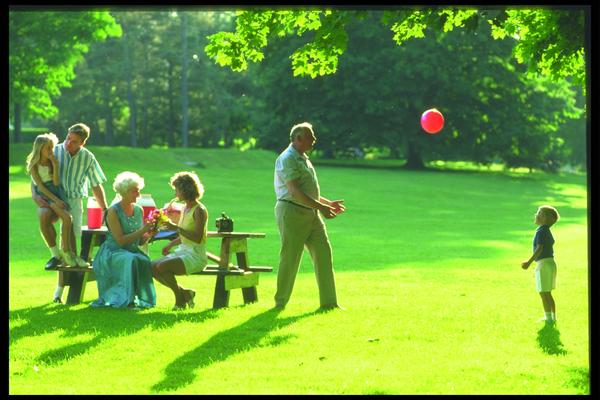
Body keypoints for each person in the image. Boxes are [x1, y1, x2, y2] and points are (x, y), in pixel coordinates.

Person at [31, 123, 108, 303]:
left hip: (73, 200)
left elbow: (96, 184)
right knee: (43, 217)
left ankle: (60, 293)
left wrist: (104, 209)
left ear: (83, 143)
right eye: (68, 139)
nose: (68, 144)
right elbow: (35, 176)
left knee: (71, 245)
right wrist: (35, 195)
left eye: (74, 142)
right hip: (51, 198)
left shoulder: (88, 158)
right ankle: (54, 256)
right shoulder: (53, 150)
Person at [273, 122, 346, 309]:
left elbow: (308, 192)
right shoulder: (288, 158)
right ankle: (280, 303)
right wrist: (321, 207)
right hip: (292, 211)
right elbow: (295, 191)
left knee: (324, 254)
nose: (314, 140)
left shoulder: (303, 157)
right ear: (297, 138)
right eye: (310, 137)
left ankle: (329, 304)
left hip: (310, 212)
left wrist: (327, 204)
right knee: (290, 258)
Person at [91, 171, 157, 308]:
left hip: (131, 250)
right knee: (131, 259)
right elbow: (120, 241)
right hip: (113, 252)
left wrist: (150, 234)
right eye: (135, 191)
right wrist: (143, 230)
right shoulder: (113, 211)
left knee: (144, 260)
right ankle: (127, 299)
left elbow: (139, 241)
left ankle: (143, 299)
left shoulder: (139, 210)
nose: (138, 195)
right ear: (125, 192)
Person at [151, 171, 208, 310]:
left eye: (177, 190)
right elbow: (184, 235)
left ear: (185, 190)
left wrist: (175, 227)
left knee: (163, 267)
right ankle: (184, 293)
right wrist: (170, 244)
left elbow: (197, 237)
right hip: (184, 251)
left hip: (195, 255)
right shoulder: (185, 208)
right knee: (152, 267)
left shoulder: (199, 210)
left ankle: (180, 300)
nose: (176, 194)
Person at [26, 133, 77, 267]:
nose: (50, 151)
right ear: (40, 149)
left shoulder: (52, 162)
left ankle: (66, 250)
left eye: (52, 148)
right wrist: (56, 201)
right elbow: (41, 187)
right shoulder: (33, 165)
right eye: (48, 148)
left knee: (67, 218)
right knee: (63, 218)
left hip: (56, 191)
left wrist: (55, 164)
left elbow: (55, 182)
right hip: (45, 194)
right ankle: (56, 253)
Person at [521, 205, 560, 324]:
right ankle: (552, 317)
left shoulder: (542, 231)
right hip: (549, 263)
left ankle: (548, 318)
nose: (536, 215)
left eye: (539, 213)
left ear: (545, 219)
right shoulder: (545, 231)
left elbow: (539, 248)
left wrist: (529, 262)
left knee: (543, 292)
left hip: (544, 264)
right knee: (547, 292)